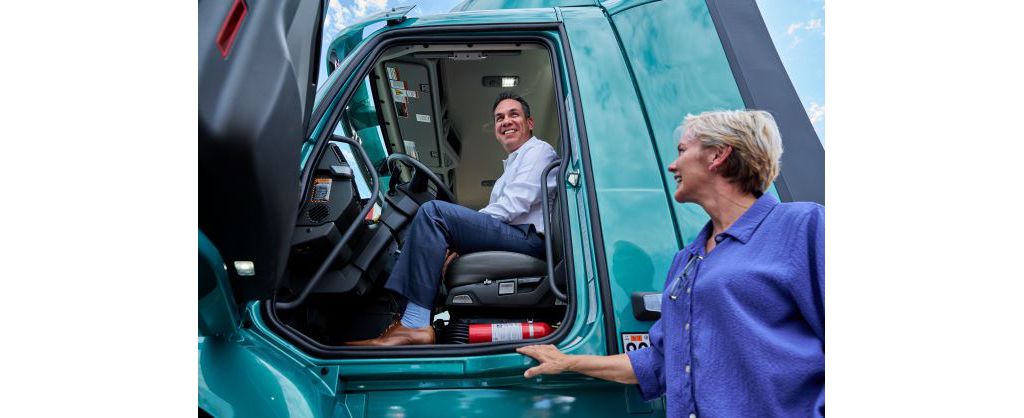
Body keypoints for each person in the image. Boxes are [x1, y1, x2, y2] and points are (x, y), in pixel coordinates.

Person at [517, 110, 824, 417]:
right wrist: (568, 361)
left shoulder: (802, 226)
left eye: (682, 150)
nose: (672, 165)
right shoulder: (686, 260)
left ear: (718, 154)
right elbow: (660, 363)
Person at [347, 92, 557, 346]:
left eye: (514, 114)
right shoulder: (510, 168)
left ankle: (414, 324)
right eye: (499, 118)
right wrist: (460, 236)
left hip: (530, 239)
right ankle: (406, 320)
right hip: (517, 235)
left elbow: (514, 205)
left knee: (434, 213)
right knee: (437, 220)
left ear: (530, 122)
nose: (506, 121)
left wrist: (460, 233)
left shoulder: (538, 151)